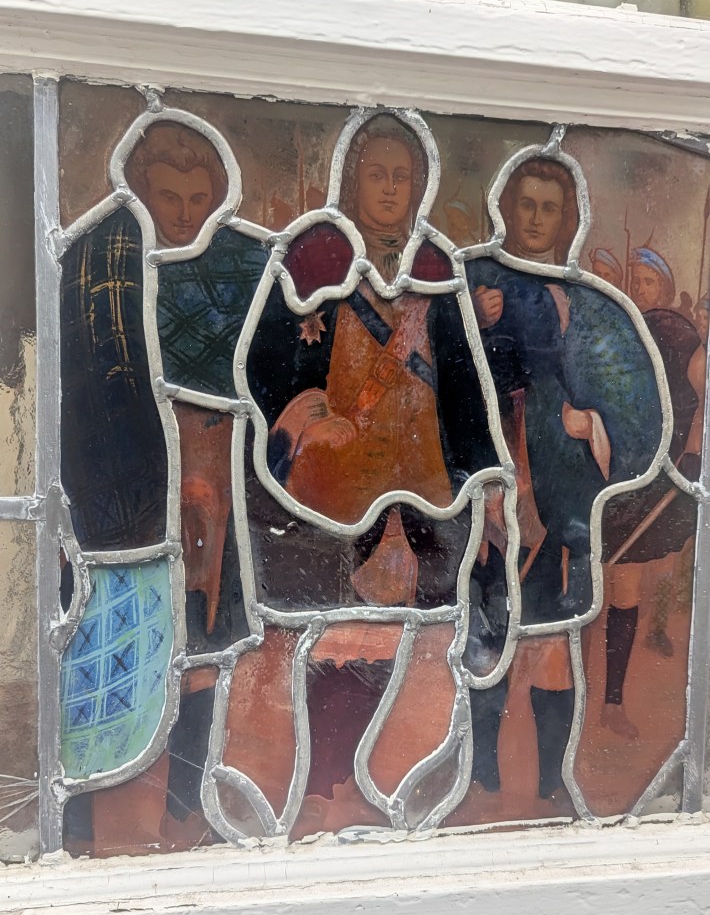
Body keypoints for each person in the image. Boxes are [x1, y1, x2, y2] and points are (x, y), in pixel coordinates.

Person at [237, 112, 508, 827]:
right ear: (351, 180)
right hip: (331, 480)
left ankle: (400, 777)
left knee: (419, 628)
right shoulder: (315, 256)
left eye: (402, 177)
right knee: (336, 627)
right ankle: (327, 778)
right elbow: (262, 364)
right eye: (377, 174)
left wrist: (486, 478)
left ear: (419, 187)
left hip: (423, 478)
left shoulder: (438, 268)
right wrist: (307, 410)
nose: (389, 189)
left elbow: (466, 385)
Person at [61, 117, 269, 852]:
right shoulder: (106, 265)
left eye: (197, 198)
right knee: (119, 657)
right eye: (169, 197)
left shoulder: (238, 267)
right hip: (124, 494)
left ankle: (189, 808)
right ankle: (94, 822)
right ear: (141, 195)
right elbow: (98, 382)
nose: (183, 213)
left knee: (206, 647)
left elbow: (259, 372)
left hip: (219, 478)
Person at [467, 158, 663, 797]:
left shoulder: (586, 301)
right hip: (493, 488)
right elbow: (444, 377)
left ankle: (551, 786)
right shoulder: (477, 284)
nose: (535, 219)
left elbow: (631, 396)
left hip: (565, 497)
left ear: (566, 220)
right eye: (526, 205)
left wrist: (593, 422)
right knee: (488, 636)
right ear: (507, 209)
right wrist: (478, 323)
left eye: (549, 208)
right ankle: (482, 776)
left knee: (553, 642)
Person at [601, 247, 702, 738]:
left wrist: (692, 451)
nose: (641, 289)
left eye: (649, 282)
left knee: (626, 585)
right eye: (635, 281)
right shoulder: (622, 328)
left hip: (654, 474)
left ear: (664, 286)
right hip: (613, 468)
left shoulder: (678, 334)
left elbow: (699, 399)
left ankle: (612, 703)